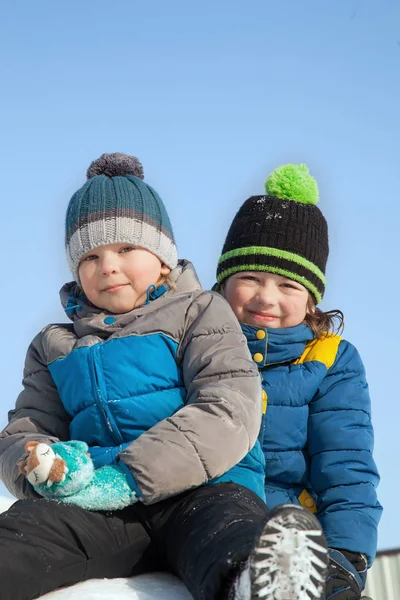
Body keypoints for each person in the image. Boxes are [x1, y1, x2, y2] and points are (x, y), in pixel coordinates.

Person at [0, 154, 329, 600]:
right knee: (25, 534)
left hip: (205, 487)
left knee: (229, 532)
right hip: (99, 505)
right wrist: (43, 466)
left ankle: (260, 584)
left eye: (126, 249)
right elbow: (26, 429)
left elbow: (227, 408)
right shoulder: (53, 345)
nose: (108, 266)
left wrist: (125, 478)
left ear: (162, 256)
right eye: (90, 256)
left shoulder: (199, 312)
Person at [215, 163, 382, 600]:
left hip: (290, 535)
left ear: (311, 298)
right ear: (223, 282)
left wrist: (346, 557)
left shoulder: (330, 359)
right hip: (205, 525)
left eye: (288, 284)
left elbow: (346, 468)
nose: (266, 297)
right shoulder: (195, 345)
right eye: (250, 277)